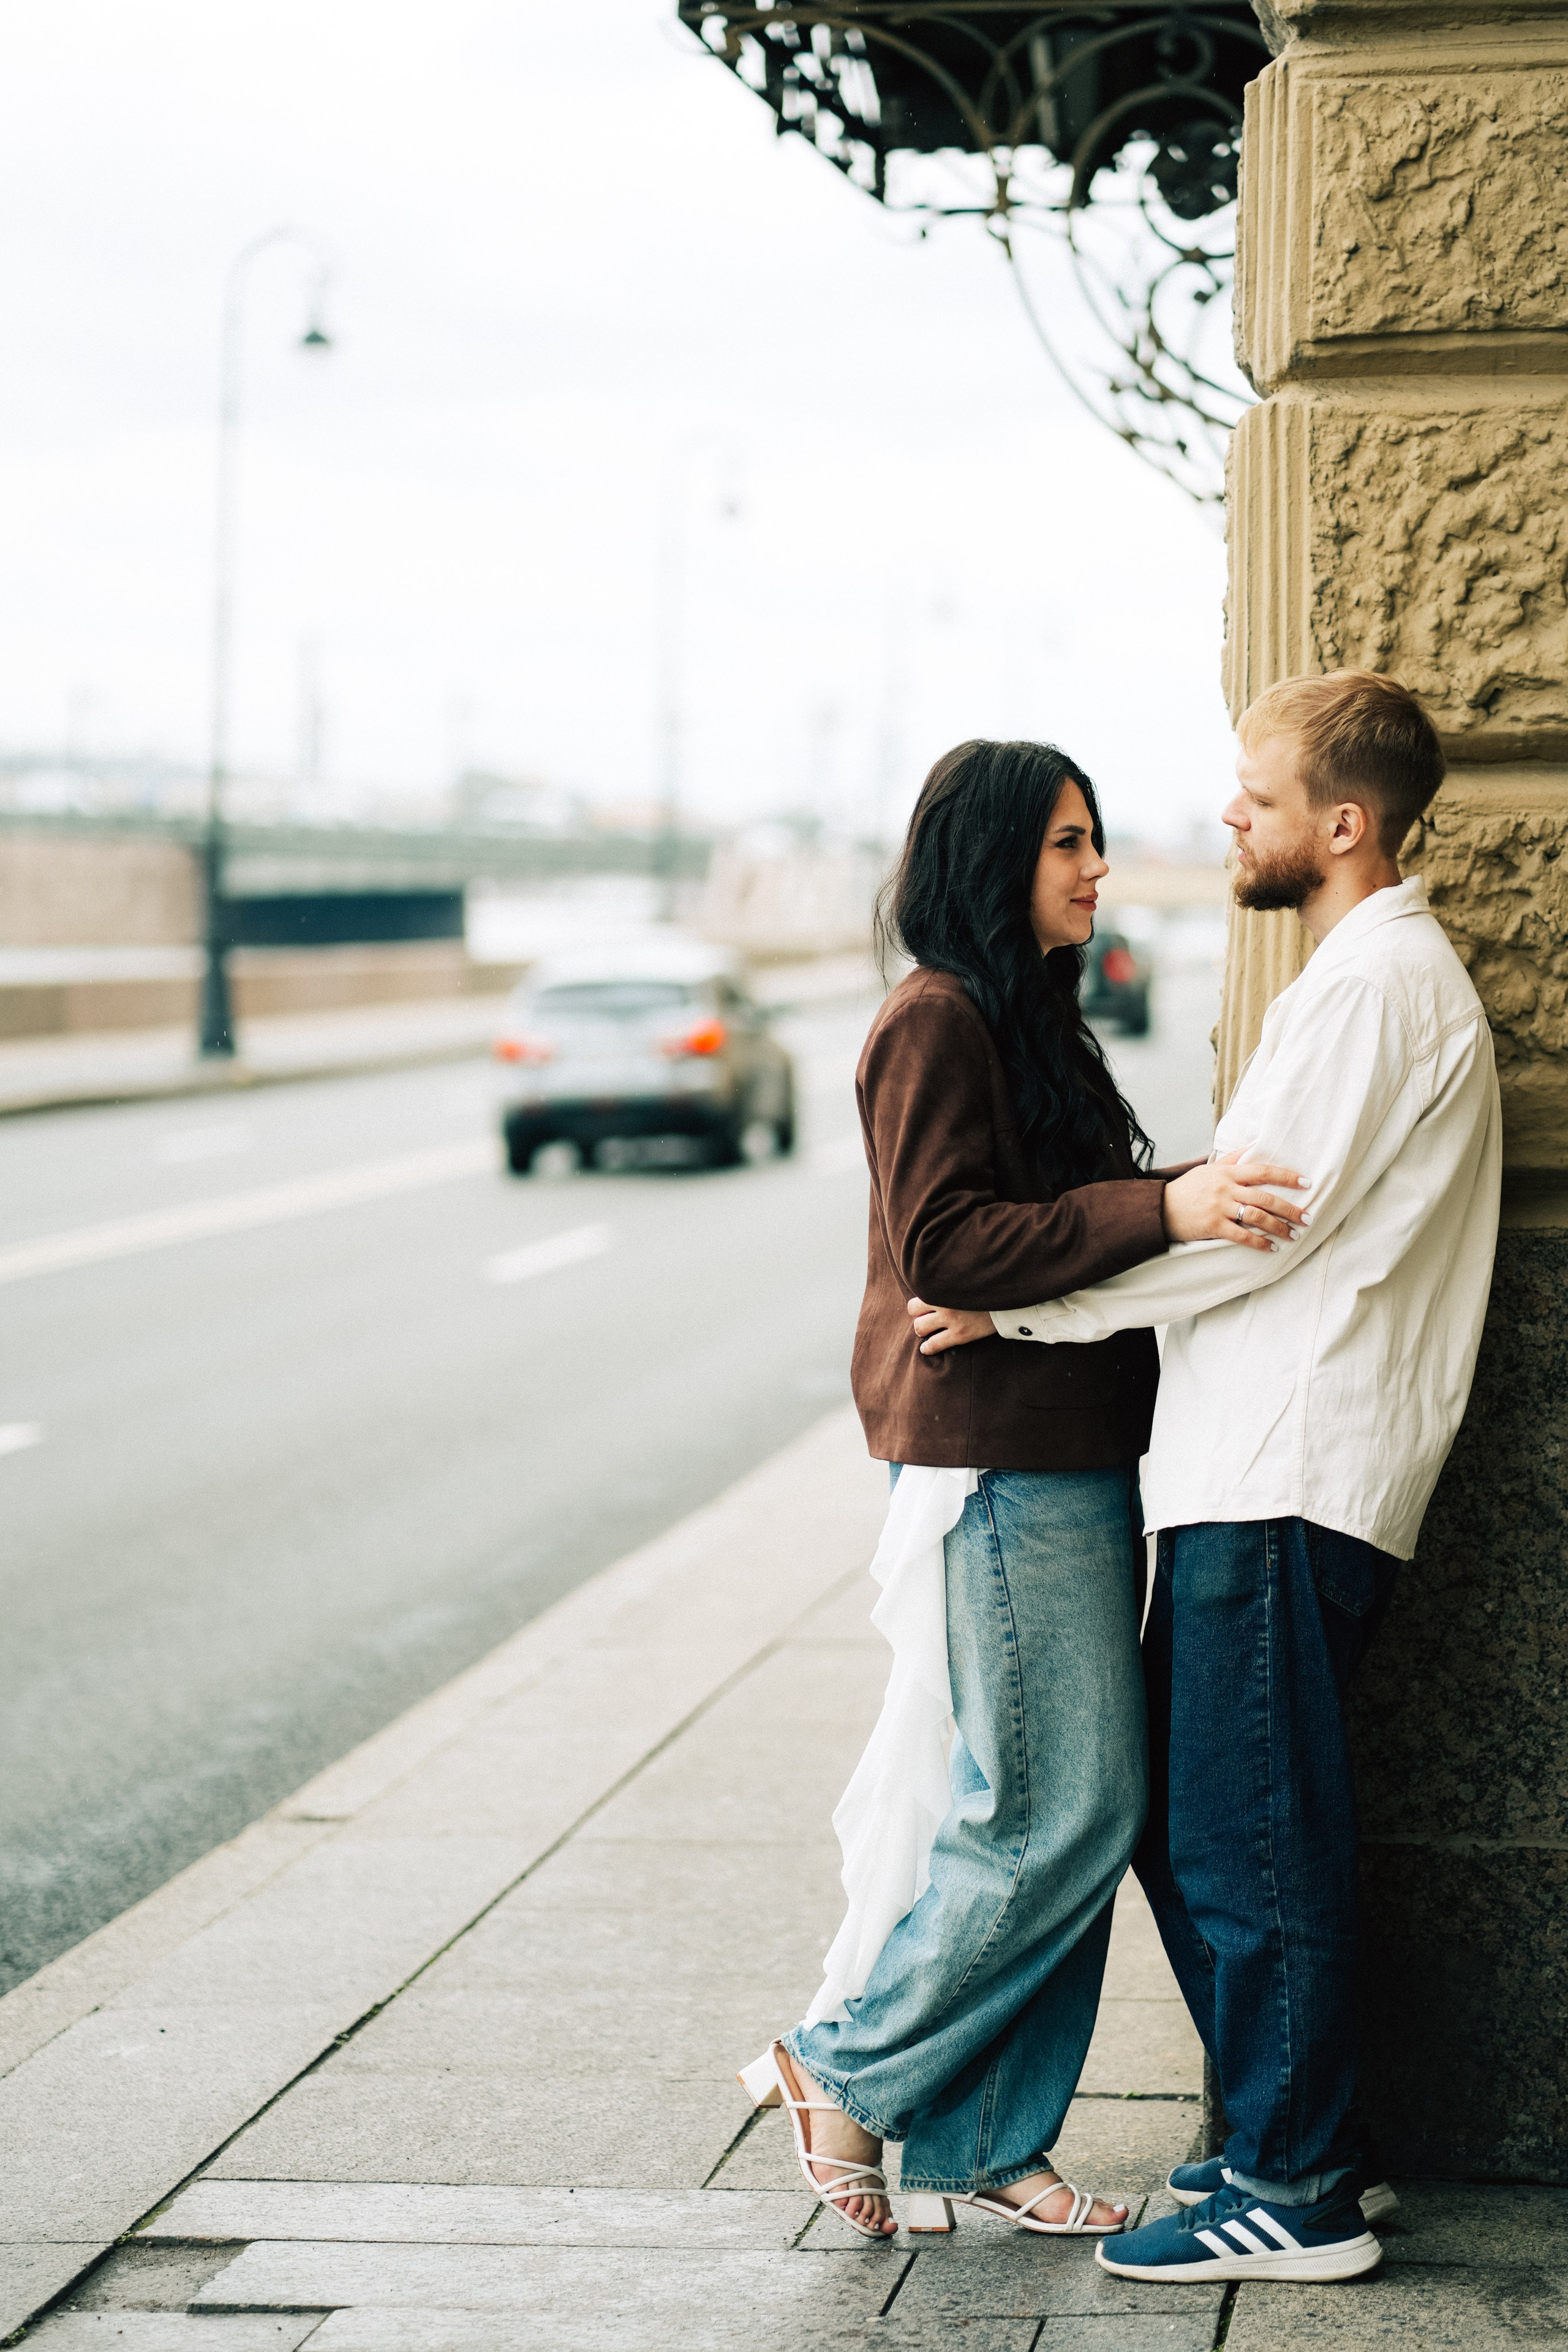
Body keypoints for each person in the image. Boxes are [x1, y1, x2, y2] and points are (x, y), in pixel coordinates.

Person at [910, 673, 1502, 2285]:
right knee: (1207, 1825)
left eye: (1254, 793)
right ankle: (1300, 2137)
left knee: (1243, 1836)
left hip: (1287, 1467)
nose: (1229, 817)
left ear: (1342, 822)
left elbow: (1246, 1231)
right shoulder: (1356, 981)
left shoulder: (1378, 986)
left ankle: (1293, 2185)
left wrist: (1014, 1300)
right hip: (1260, 1467)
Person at [739, 737, 1308, 2242]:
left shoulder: (1028, 1019)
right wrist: (1160, 1205)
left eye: (1094, 840)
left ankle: (988, 2139)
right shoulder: (932, 1018)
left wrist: (1191, 1200)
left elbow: (1064, 1227)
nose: (1095, 866)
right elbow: (944, 1245)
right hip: (997, 1462)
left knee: (1068, 1806)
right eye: (1066, 842)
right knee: (1061, 1806)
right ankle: (841, 2065)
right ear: (994, 858)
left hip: (1064, 1445)